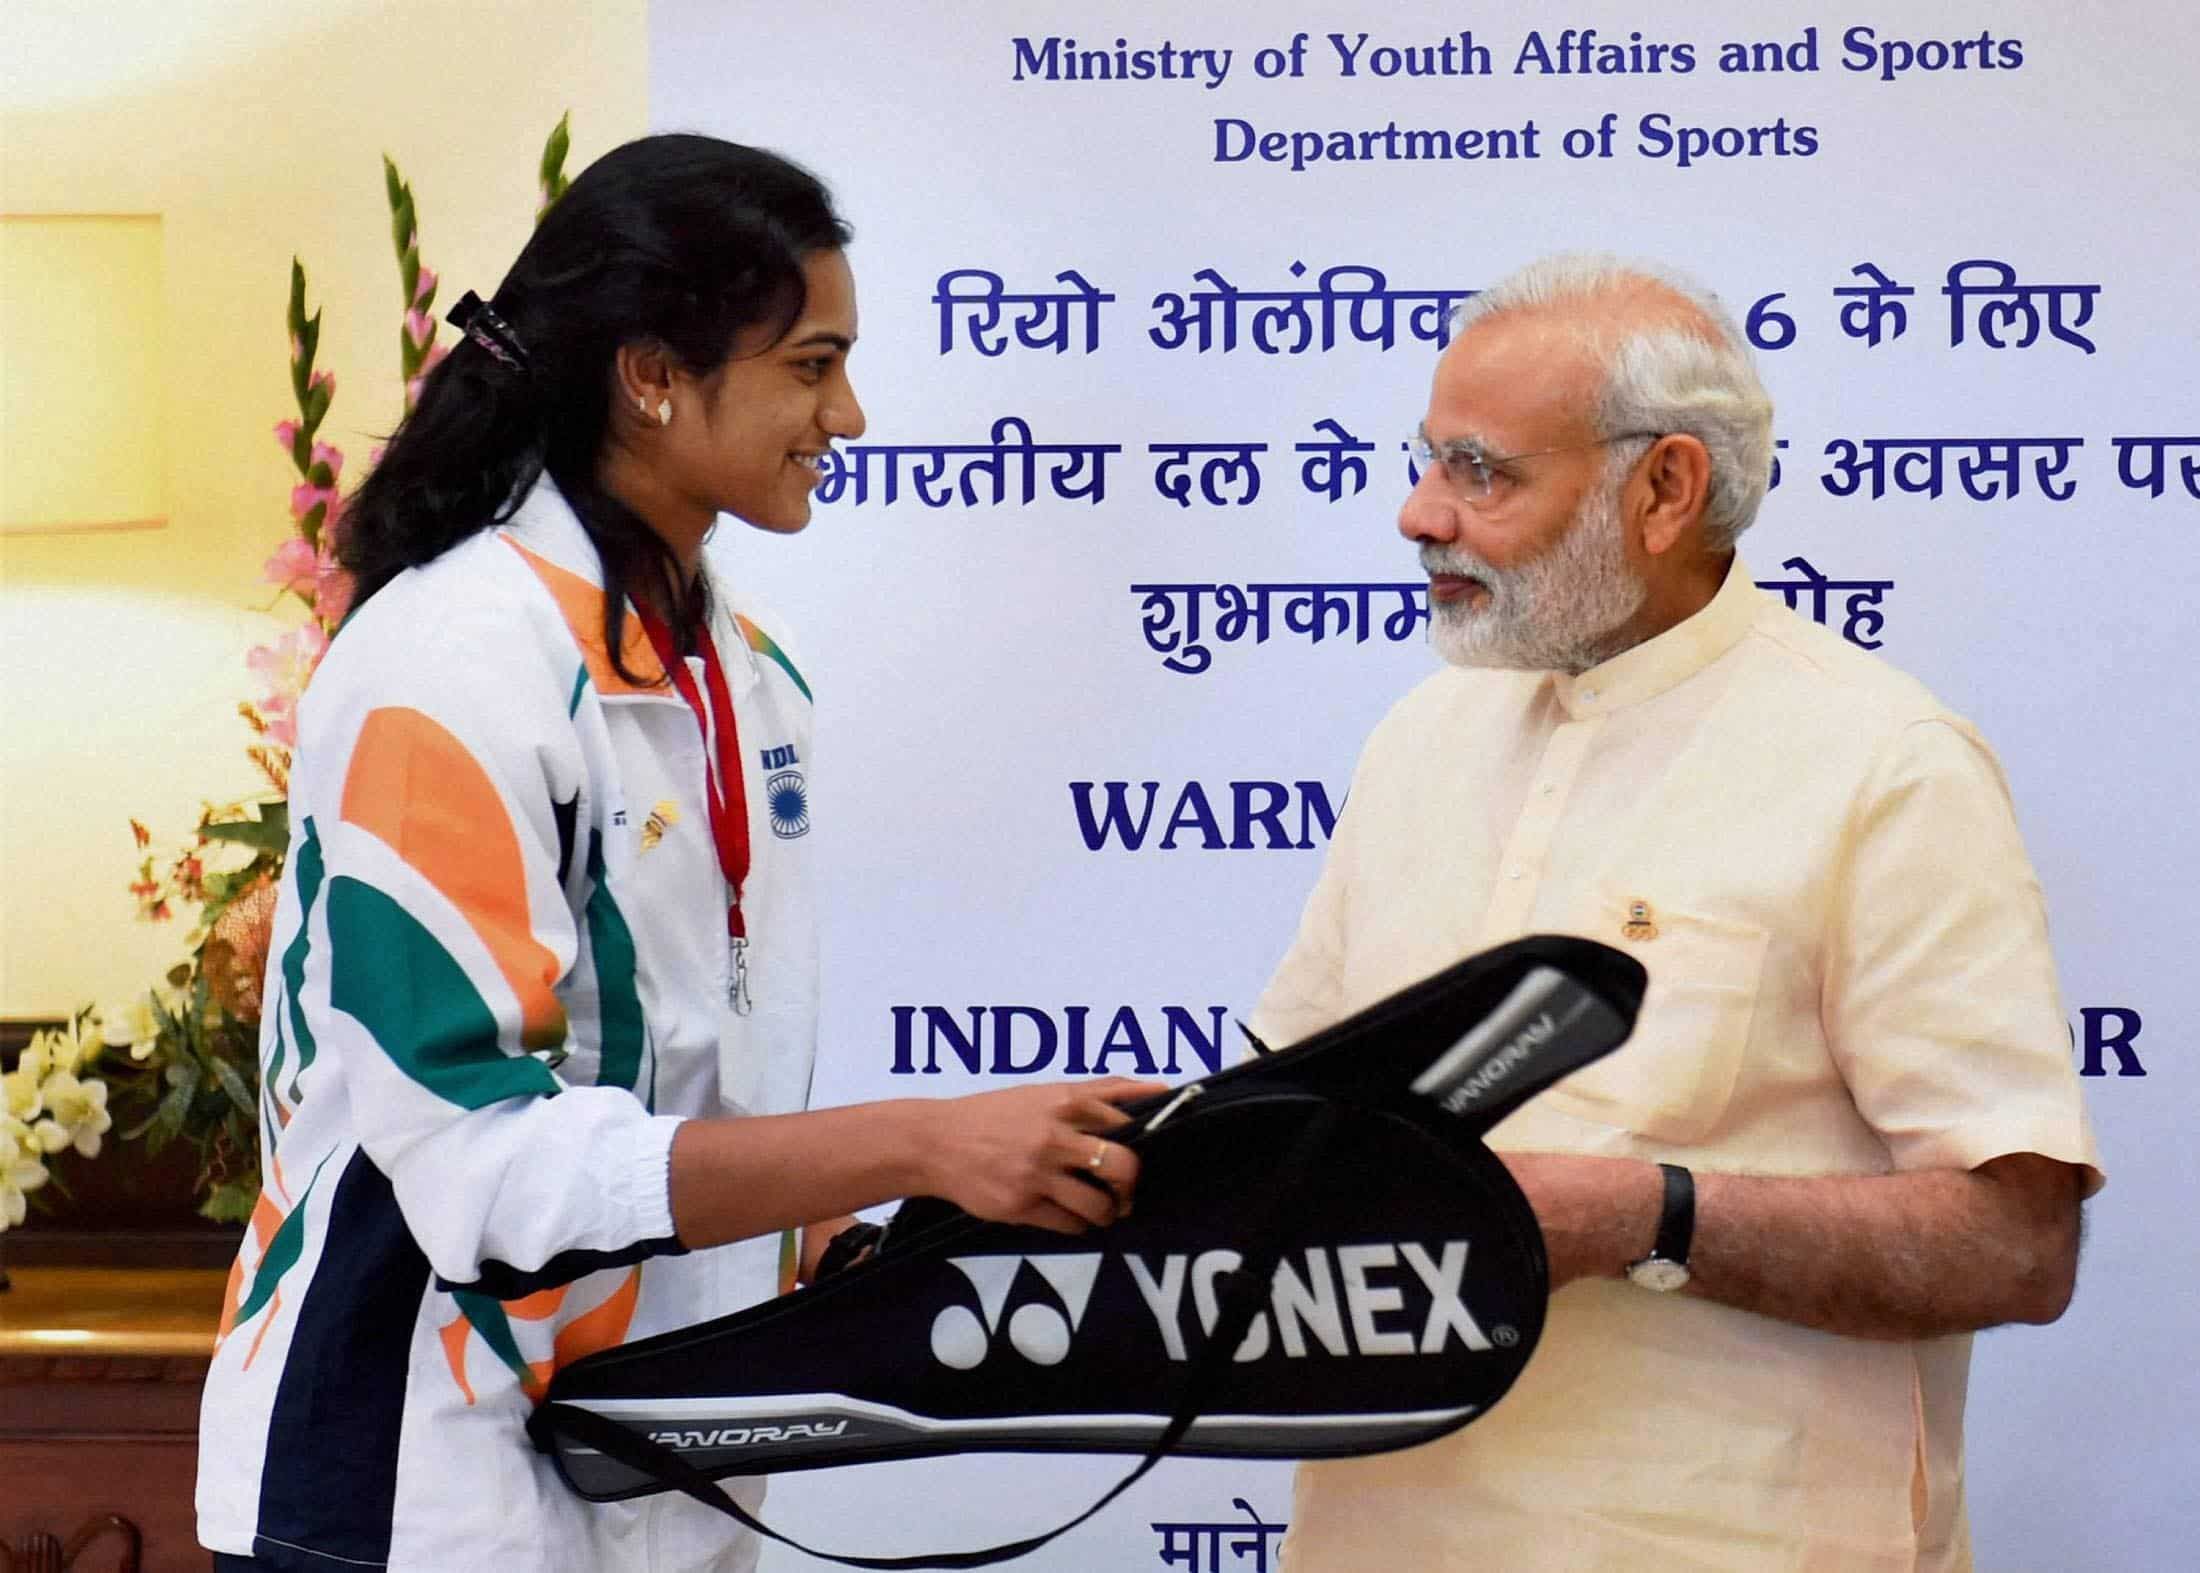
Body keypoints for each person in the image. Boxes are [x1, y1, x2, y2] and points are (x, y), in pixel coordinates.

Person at [195, 134, 1159, 1573]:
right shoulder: (445, 669)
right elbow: (484, 1170)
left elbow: (690, 1068)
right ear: (652, 375)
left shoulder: (742, 669)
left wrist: (843, 1225)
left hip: (657, 1469)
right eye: (813, 365)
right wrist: (925, 1134)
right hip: (414, 1491)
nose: (852, 413)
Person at [1250, 254, 2101, 1571]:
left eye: (1482, 471)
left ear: (1665, 491)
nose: (1420, 514)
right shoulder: (1424, 737)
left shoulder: (1884, 761)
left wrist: (1651, 1216)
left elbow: (2017, 1244)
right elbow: (1282, 1122)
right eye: (1426, 462)